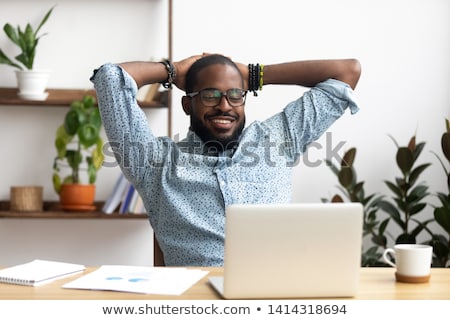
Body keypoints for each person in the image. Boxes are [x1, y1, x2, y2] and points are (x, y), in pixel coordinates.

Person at [90, 53, 361, 266]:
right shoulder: (153, 163)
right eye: (210, 95)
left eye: (235, 95)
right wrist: (173, 71)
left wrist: (253, 75)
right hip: (195, 307)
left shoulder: (278, 139)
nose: (224, 106)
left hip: (273, 302)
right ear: (188, 105)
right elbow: (110, 78)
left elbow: (346, 72)